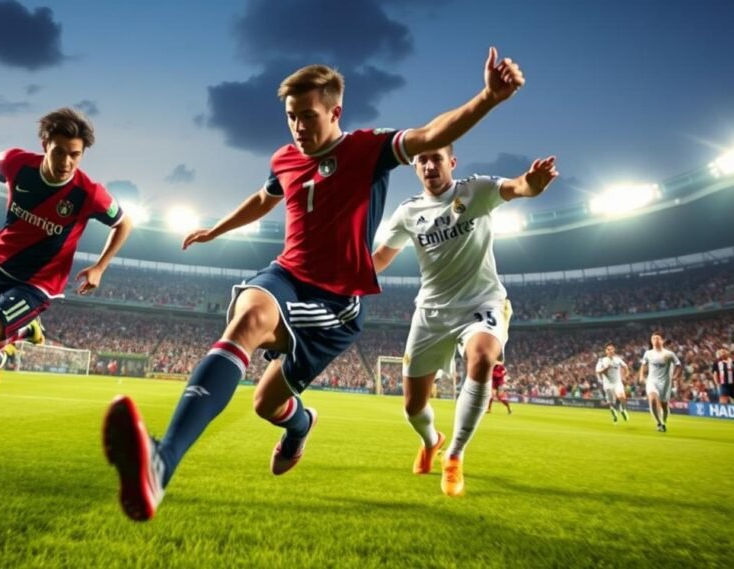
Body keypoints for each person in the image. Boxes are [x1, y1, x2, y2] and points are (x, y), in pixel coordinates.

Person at [103, 47, 527, 520]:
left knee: (266, 402)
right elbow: (265, 199)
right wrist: (216, 229)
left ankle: (299, 423)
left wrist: (488, 98)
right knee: (248, 316)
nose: (299, 128)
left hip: (335, 305)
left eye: (308, 116)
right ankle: (162, 464)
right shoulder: (285, 157)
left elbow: (431, 133)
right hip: (285, 274)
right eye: (291, 117)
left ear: (335, 112)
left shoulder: (366, 150)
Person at [371, 143, 559, 497]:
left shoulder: (477, 191)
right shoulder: (408, 212)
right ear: (415, 167)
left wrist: (533, 184)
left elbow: (518, 187)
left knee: (484, 356)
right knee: (413, 406)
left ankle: (454, 455)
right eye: (422, 160)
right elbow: (382, 256)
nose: (429, 165)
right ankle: (432, 441)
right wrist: (346, 279)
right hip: (431, 313)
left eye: (436, 158)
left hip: (481, 303)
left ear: (452, 162)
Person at [0, 108, 133, 394]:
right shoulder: (15, 162)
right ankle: (5, 353)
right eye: (59, 152)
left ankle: (23, 327)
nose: (67, 162)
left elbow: (124, 223)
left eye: (75, 154)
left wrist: (100, 267)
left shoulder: (89, 193)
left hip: (37, 285)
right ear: (45, 145)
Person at [638, 331, 682, 432]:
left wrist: (675, 376)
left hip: (665, 382)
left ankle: (664, 419)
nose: (655, 340)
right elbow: (643, 365)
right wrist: (641, 376)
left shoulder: (669, 354)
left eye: (657, 338)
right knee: (653, 400)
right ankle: (659, 423)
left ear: (662, 340)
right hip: (651, 381)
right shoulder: (648, 353)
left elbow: (679, 365)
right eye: (653, 338)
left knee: (664, 406)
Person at [596, 342, 630, 422]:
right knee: (611, 403)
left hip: (617, 383)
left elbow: (625, 367)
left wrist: (626, 375)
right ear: (606, 351)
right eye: (608, 349)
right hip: (608, 385)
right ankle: (613, 411)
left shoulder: (618, 359)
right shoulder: (602, 361)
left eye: (612, 349)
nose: (610, 351)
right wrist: (605, 368)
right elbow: (598, 371)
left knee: (622, 396)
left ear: (614, 350)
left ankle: (622, 409)